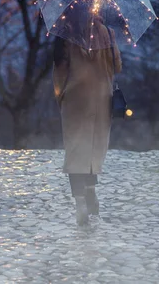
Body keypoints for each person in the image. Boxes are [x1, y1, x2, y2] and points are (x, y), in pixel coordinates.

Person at [52, 14, 122, 225]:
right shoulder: (108, 33)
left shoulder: (66, 34)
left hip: (75, 98)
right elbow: (117, 67)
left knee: (75, 147)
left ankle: (80, 201)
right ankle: (91, 189)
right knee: (94, 146)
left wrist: (61, 96)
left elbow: (60, 71)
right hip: (102, 98)